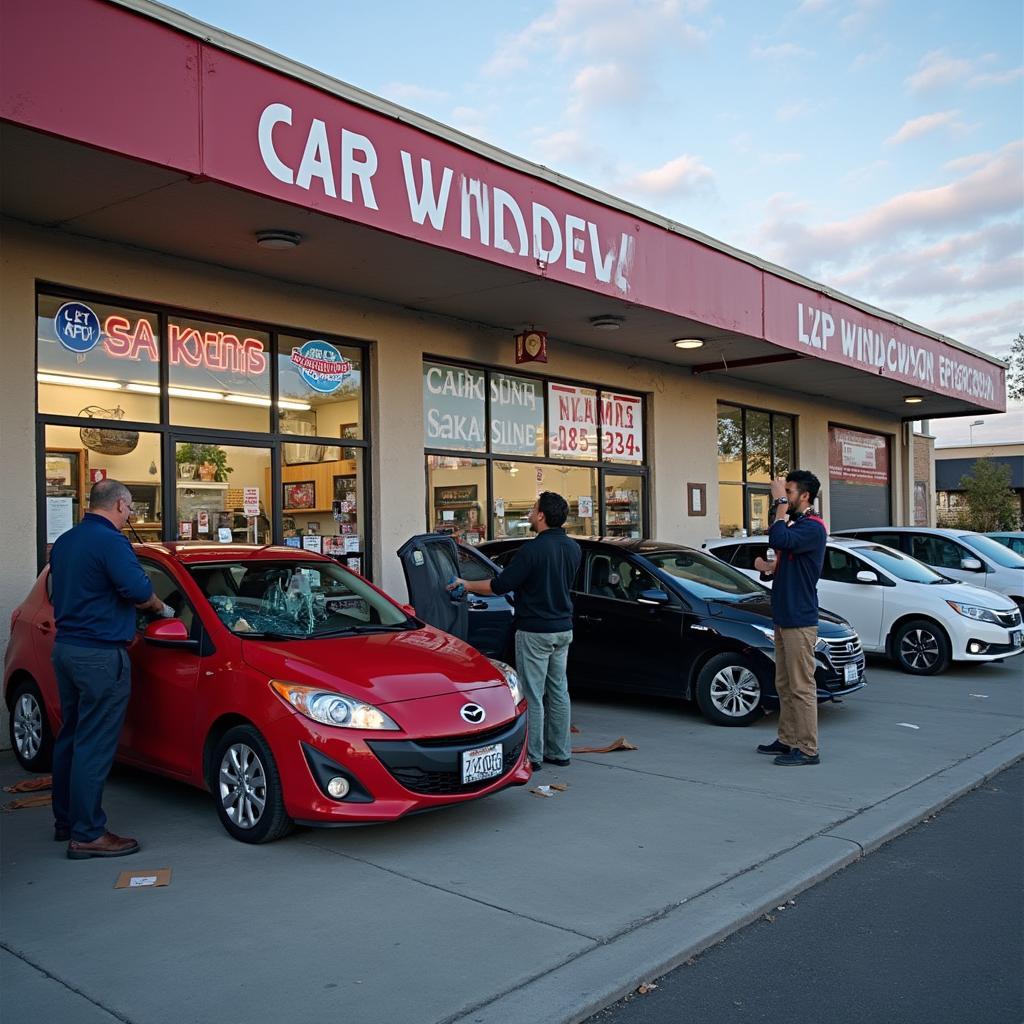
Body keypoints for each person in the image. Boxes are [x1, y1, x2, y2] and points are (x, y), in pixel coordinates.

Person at [49, 479, 171, 858]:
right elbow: (136, 590)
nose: (131, 514)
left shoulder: (67, 540)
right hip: (100, 654)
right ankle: (88, 833)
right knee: (95, 744)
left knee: (71, 737)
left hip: (67, 648)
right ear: (119, 504)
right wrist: (161, 609)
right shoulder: (111, 542)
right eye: (130, 507)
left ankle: (66, 820)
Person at [446, 491, 581, 772]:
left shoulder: (532, 550)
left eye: (533, 509)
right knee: (559, 691)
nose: (530, 514)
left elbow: (500, 585)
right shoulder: (573, 548)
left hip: (534, 630)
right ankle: (560, 751)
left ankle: (534, 755)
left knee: (532, 694)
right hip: (563, 629)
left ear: (542, 515)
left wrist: (466, 584)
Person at [753, 470, 828, 766]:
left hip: (800, 619)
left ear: (804, 495)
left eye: (790, 491)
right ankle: (787, 740)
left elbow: (779, 536)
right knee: (784, 685)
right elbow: (782, 550)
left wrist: (779, 502)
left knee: (801, 687)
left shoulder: (813, 527)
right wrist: (768, 567)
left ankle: (808, 749)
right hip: (784, 617)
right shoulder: (799, 526)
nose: (785, 496)